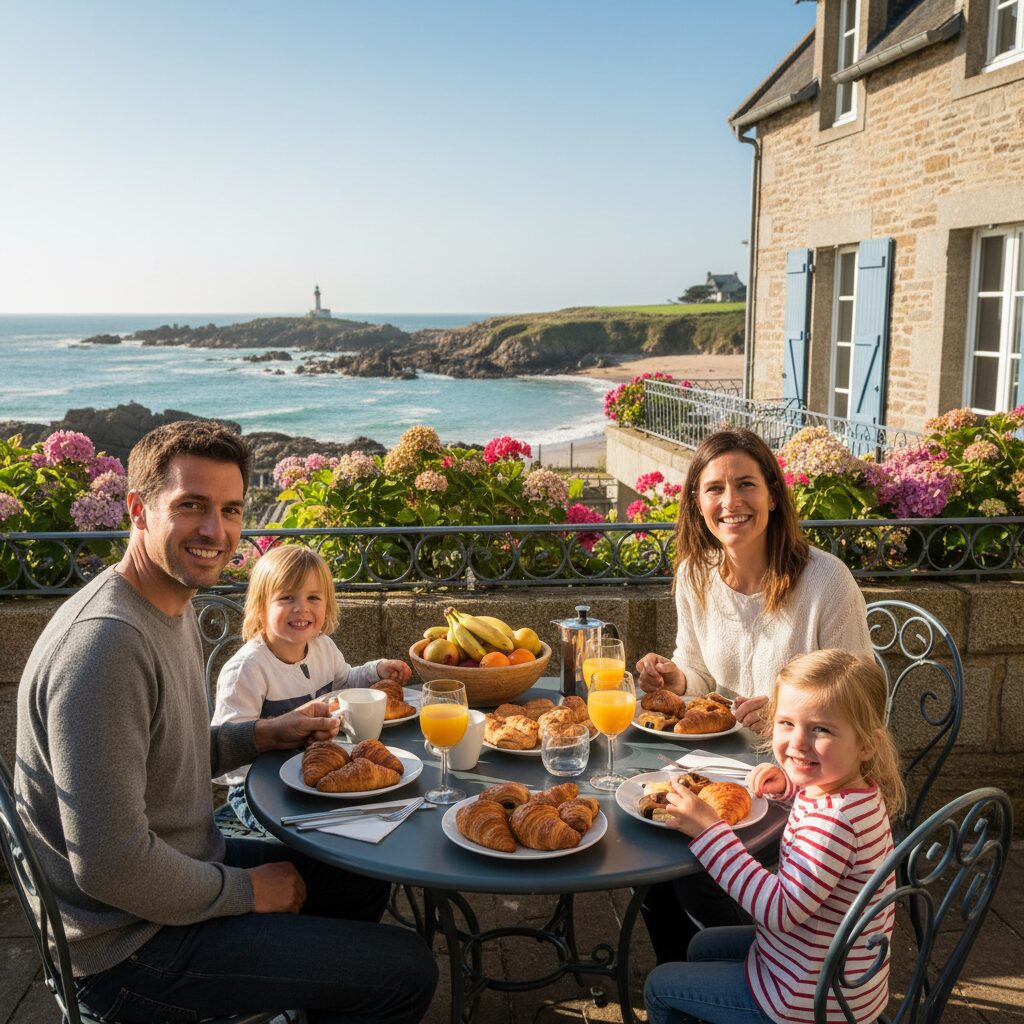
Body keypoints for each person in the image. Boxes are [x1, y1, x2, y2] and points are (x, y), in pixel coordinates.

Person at [15, 420, 437, 1024]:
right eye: (191, 506)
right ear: (138, 509)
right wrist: (245, 892)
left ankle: (316, 991)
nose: (215, 531)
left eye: (231, 509)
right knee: (406, 969)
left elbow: (163, 758)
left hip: (179, 870)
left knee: (356, 873)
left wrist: (260, 735)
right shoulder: (106, 647)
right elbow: (109, 863)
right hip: (129, 951)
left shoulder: (166, 601)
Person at [635, 427, 874, 963]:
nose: (731, 502)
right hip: (724, 767)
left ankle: (753, 971)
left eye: (746, 484)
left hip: (807, 785)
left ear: (772, 494)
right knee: (650, 833)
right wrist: (676, 679)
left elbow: (860, 702)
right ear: (697, 505)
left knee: (687, 866)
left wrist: (786, 715)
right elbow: (698, 670)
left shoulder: (825, 582)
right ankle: (698, 980)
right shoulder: (694, 574)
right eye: (714, 488)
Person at [644, 649, 903, 1024]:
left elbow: (778, 911)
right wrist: (790, 785)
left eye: (821, 729)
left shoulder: (834, 823)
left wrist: (709, 832)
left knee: (659, 985)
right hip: (830, 967)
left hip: (804, 998)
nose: (798, 743)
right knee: (700, 945)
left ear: (866, 744)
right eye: (786, 723)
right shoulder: (850, 792)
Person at [212, 543, 412, 832]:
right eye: (286, 597)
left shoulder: (323, 648)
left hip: (315, 775)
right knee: (319, 834)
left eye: (313, 597)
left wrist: (375, 670)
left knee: (364, 820)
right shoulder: (247, 669)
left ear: (328, 606)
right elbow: (230, 752)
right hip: (258, 790)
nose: (301, 608)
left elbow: (345, 683)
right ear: (260, 607)